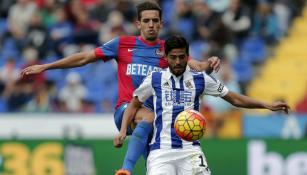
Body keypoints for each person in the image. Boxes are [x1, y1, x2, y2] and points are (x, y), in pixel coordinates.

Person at [20, 1, 221, 173]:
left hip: (157, 122)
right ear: (138, 23)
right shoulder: (122, 44)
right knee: (148, 117)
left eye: (155, 21)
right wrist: (47, 66)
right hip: (127, 109)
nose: (151, 24)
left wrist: (209, 63)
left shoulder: (168, 51)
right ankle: (125, 169)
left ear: (161, 23)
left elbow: (197, 66)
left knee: (155, 162)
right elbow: (85, 57)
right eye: (146, 20)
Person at [114, 35, 289, 175]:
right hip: (161, 152)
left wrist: (266, 105)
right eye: (173, 57)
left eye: (182, 57)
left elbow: (234, 98)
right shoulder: (155, 78)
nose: (177, 62)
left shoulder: (201, 79)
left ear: (187, 56)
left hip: (191, 151)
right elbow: (133, 104)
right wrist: (123, 131)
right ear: (166, 57)